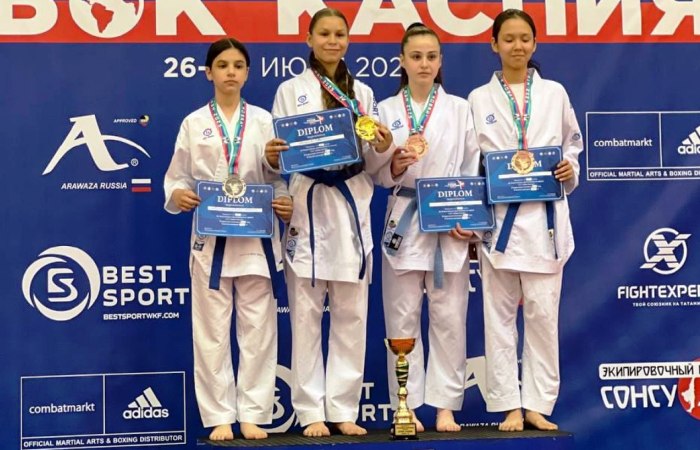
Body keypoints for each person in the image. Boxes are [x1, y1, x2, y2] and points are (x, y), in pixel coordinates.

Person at [265, 7, 394, 437]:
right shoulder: (290, 90)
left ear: (348, 40)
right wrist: (274, 155)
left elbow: (373, 158)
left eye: (340, 34)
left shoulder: (363, 92)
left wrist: (383, 144)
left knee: (351, 314)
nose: (332, 41)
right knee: (305, 314)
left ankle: (343, 408)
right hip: (308, 198)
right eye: (324, 33)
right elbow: (282, 154)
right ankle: (310, 411)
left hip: (351, 200)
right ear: (309, 39)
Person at [163, 38, 293, 441]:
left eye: (238, 65)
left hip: (255, 240)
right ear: (209, 73)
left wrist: (284, 200)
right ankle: (219, 414)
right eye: (222, 65)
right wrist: (178, 195)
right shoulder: (193, 123)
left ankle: (253, 413)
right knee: (211, 332)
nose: (231, 72)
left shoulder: (265, 121)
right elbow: (177, 177)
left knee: (259, 329)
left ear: (248, 73)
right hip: (211, 240)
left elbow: (277, 178)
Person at [467, 9, 583, 432]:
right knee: (498, 319)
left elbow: (572, 144)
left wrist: (569, 168)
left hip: (545, 222)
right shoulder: (479, 99)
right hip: (498, 224)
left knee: (542, 317)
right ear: (493, 45)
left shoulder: (554, 93)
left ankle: (537, 404)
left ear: (534, 44)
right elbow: (471, 162)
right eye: (509, 39)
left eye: (524, 38)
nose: (517, 46)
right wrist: (471, 216)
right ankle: (508, 406)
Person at [374, 23, 480, 433]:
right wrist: (393, 165)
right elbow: (374, 172)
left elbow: (471, 166)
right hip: (403, 216)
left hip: (447, 221)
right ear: (402, 61)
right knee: (401, 318)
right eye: (416, 56)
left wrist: (466, 216)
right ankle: (407, 406)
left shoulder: (460, 108)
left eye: (431, 56)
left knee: (449, 317)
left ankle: (445, 406)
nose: (424, 64)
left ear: (440, 62)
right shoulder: (385, 109)